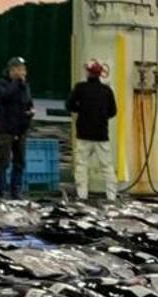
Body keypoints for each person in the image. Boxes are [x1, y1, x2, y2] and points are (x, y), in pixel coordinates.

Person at [67, 59, 117, 200]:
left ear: (88, 72)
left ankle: (82, 195)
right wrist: (102, 116)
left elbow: (69, 105)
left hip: (83, 133)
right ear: (100, 74)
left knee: (81, 165)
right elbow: (113, 111)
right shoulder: (107, 90)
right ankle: (111, 196)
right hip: (101, 134)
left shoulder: (80, 88)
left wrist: (81, 110)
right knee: (107, 166)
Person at [0, 56, 32, 199]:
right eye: (19, 69)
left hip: (21, 130)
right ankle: (2, 191)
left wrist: (30, 112)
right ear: (11, 70)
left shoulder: (25, 86)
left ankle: (16, 191)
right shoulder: (1, 84)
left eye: (23, 69)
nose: (22, 72)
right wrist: (16, 83)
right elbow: (3, 96)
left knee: (20, 162)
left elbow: (29, 102)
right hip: (5, 130)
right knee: (4, 162)